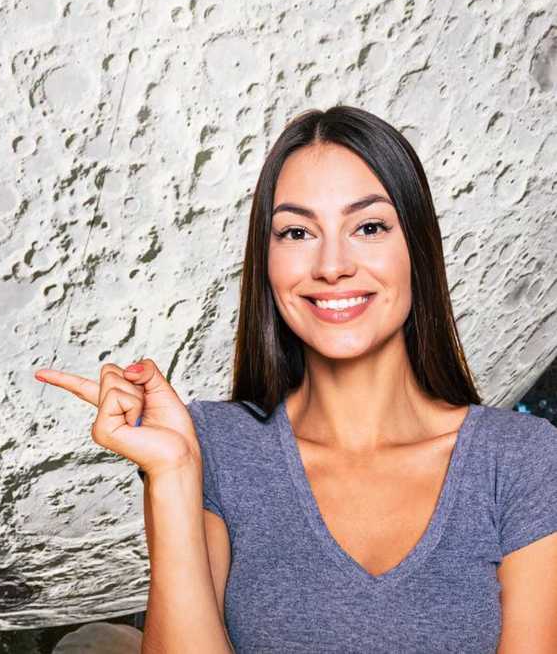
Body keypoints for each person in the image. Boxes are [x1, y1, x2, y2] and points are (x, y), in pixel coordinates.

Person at [35, 105, 557, 652]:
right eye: (297, 232)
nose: (332, 265)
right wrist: (173, 473)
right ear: (267, 261)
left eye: (369, 227)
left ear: (418, 248)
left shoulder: (521, 460)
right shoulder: (213, 446)